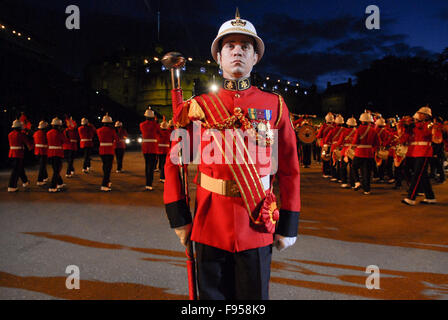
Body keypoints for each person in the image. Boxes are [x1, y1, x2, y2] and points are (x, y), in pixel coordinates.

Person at [163, 10, 300, 300]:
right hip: (208, 220)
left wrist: (288, 223)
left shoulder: (274, 105)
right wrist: (179, 218)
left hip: (257, 223)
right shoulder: (198, 106)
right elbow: (176, 163)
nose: (237, 51)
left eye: (245, 46)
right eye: (230, 46)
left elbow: (288, 168)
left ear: (255, 57)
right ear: (219, 57)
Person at [402, 106, 437, 205]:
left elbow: (426, 134)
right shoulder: (415, 125)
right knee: (423, 175)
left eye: (421, 113)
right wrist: (407, 126)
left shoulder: (429, 124)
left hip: (424, 152)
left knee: (417, 175)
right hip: (415, 152)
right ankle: (430, 197)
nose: (418, 115)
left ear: (426, 116)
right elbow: (406, 137)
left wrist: (416, 125)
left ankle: (411, 198)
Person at [350, 112, 380, 195]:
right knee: (366, 172)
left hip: (359, 152)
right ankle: (367, 190)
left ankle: (357, 182)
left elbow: (355, 141)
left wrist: (352, 146)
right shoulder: (373, 130)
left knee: (354, 167)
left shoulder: (359, 130)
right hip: (369, 153)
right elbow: (377, 143)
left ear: (362, 121)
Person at [7, 120, 32, 192]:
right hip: (18, 154)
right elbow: (28, 145)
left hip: (11, 153)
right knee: (16, 171)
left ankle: (25, 182)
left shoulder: (10, 134)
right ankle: (12, 186)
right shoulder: (21, 134)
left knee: (20, 168)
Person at [140, 107, 160, 191]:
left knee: (147, 165)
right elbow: (159, 132)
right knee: (151, 167)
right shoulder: (156, 125)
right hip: (153, 147)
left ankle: (147, 183)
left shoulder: (142, 125)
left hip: (145, 147)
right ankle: (149, 183)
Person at [97, 114, 118, 192]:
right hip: (109, 150)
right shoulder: (112, 130)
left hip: (102, 149)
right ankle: (104, 184)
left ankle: (107, 181)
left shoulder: (98, 130)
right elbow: (116, 139)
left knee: (105, 166)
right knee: (108, 168)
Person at [336, 117, 357, 189]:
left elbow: (339, 142)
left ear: (348, 125)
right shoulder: (357, 131)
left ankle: (344, 182)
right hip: (354, 151)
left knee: (343, 167)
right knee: (353, 168)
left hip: (345, 151)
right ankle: (353, 183)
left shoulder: (344, 132)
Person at [47, 117, 66, 192]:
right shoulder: (59, 133)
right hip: (58, 153)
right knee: (57, 170)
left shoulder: (48, 133)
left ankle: (60, 183)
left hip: (50, 153)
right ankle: (52, 187)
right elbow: (64, 141)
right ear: (58, 126)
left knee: (55, 169)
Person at [325, 114, 345, 182]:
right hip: (342, 147)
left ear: (336, 122)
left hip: (334, 146)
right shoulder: (345, 130)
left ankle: (334, 176)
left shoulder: (332, 130)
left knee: (333, 161)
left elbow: (326, 139)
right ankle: (341, 177)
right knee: (341, 163)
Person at [316, 113, 335, 178]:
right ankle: (331, 172)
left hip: (325, 144)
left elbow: (318, 136)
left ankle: (325, 172)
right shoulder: (335, 126)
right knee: (332, 159)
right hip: (333, 144)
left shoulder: (323, 126)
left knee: (324, 159)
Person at [33, 121, 49, 185]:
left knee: (42, 165)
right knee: (42, 166)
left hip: (37, 151)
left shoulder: (35, 133)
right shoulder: (45, 134)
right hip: (43, 152)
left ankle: (45, 177)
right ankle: (40, 180)